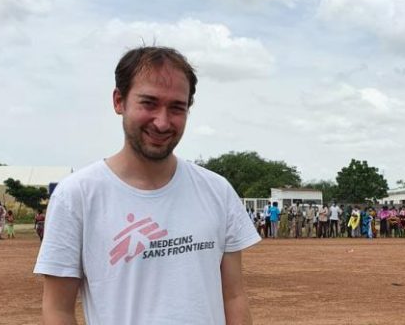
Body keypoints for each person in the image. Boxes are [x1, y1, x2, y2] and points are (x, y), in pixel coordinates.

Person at [33, 46, 261, 325]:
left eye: (176, 107)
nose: (163, 122)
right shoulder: (77, 196)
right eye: (149, 103)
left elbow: (234, 297)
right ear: (119, 101)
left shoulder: (217, 191)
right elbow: (58, 309)